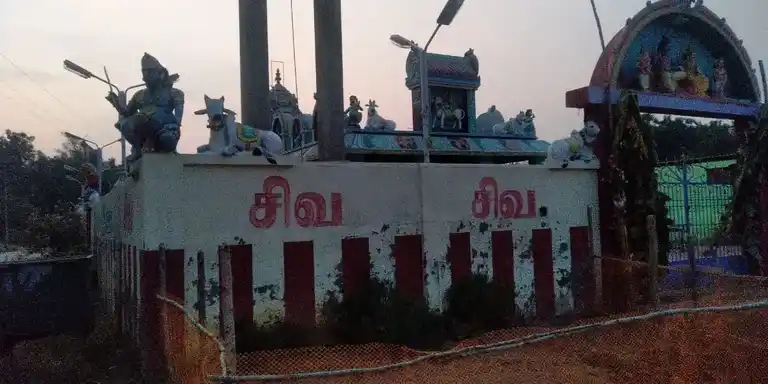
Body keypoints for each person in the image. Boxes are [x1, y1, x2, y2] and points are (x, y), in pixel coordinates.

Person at [106, 53, 185, 161]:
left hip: (165, 129)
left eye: (150, 73)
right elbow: (126, 113)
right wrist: (116, 103)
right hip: (142, 130)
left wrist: (173, 127)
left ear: (160, 74)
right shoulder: (139, 95)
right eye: (144, 73)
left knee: (167, 139)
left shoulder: (174, 93)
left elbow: (178, 117)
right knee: (124, 123)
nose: (146, 77)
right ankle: (138, 149)